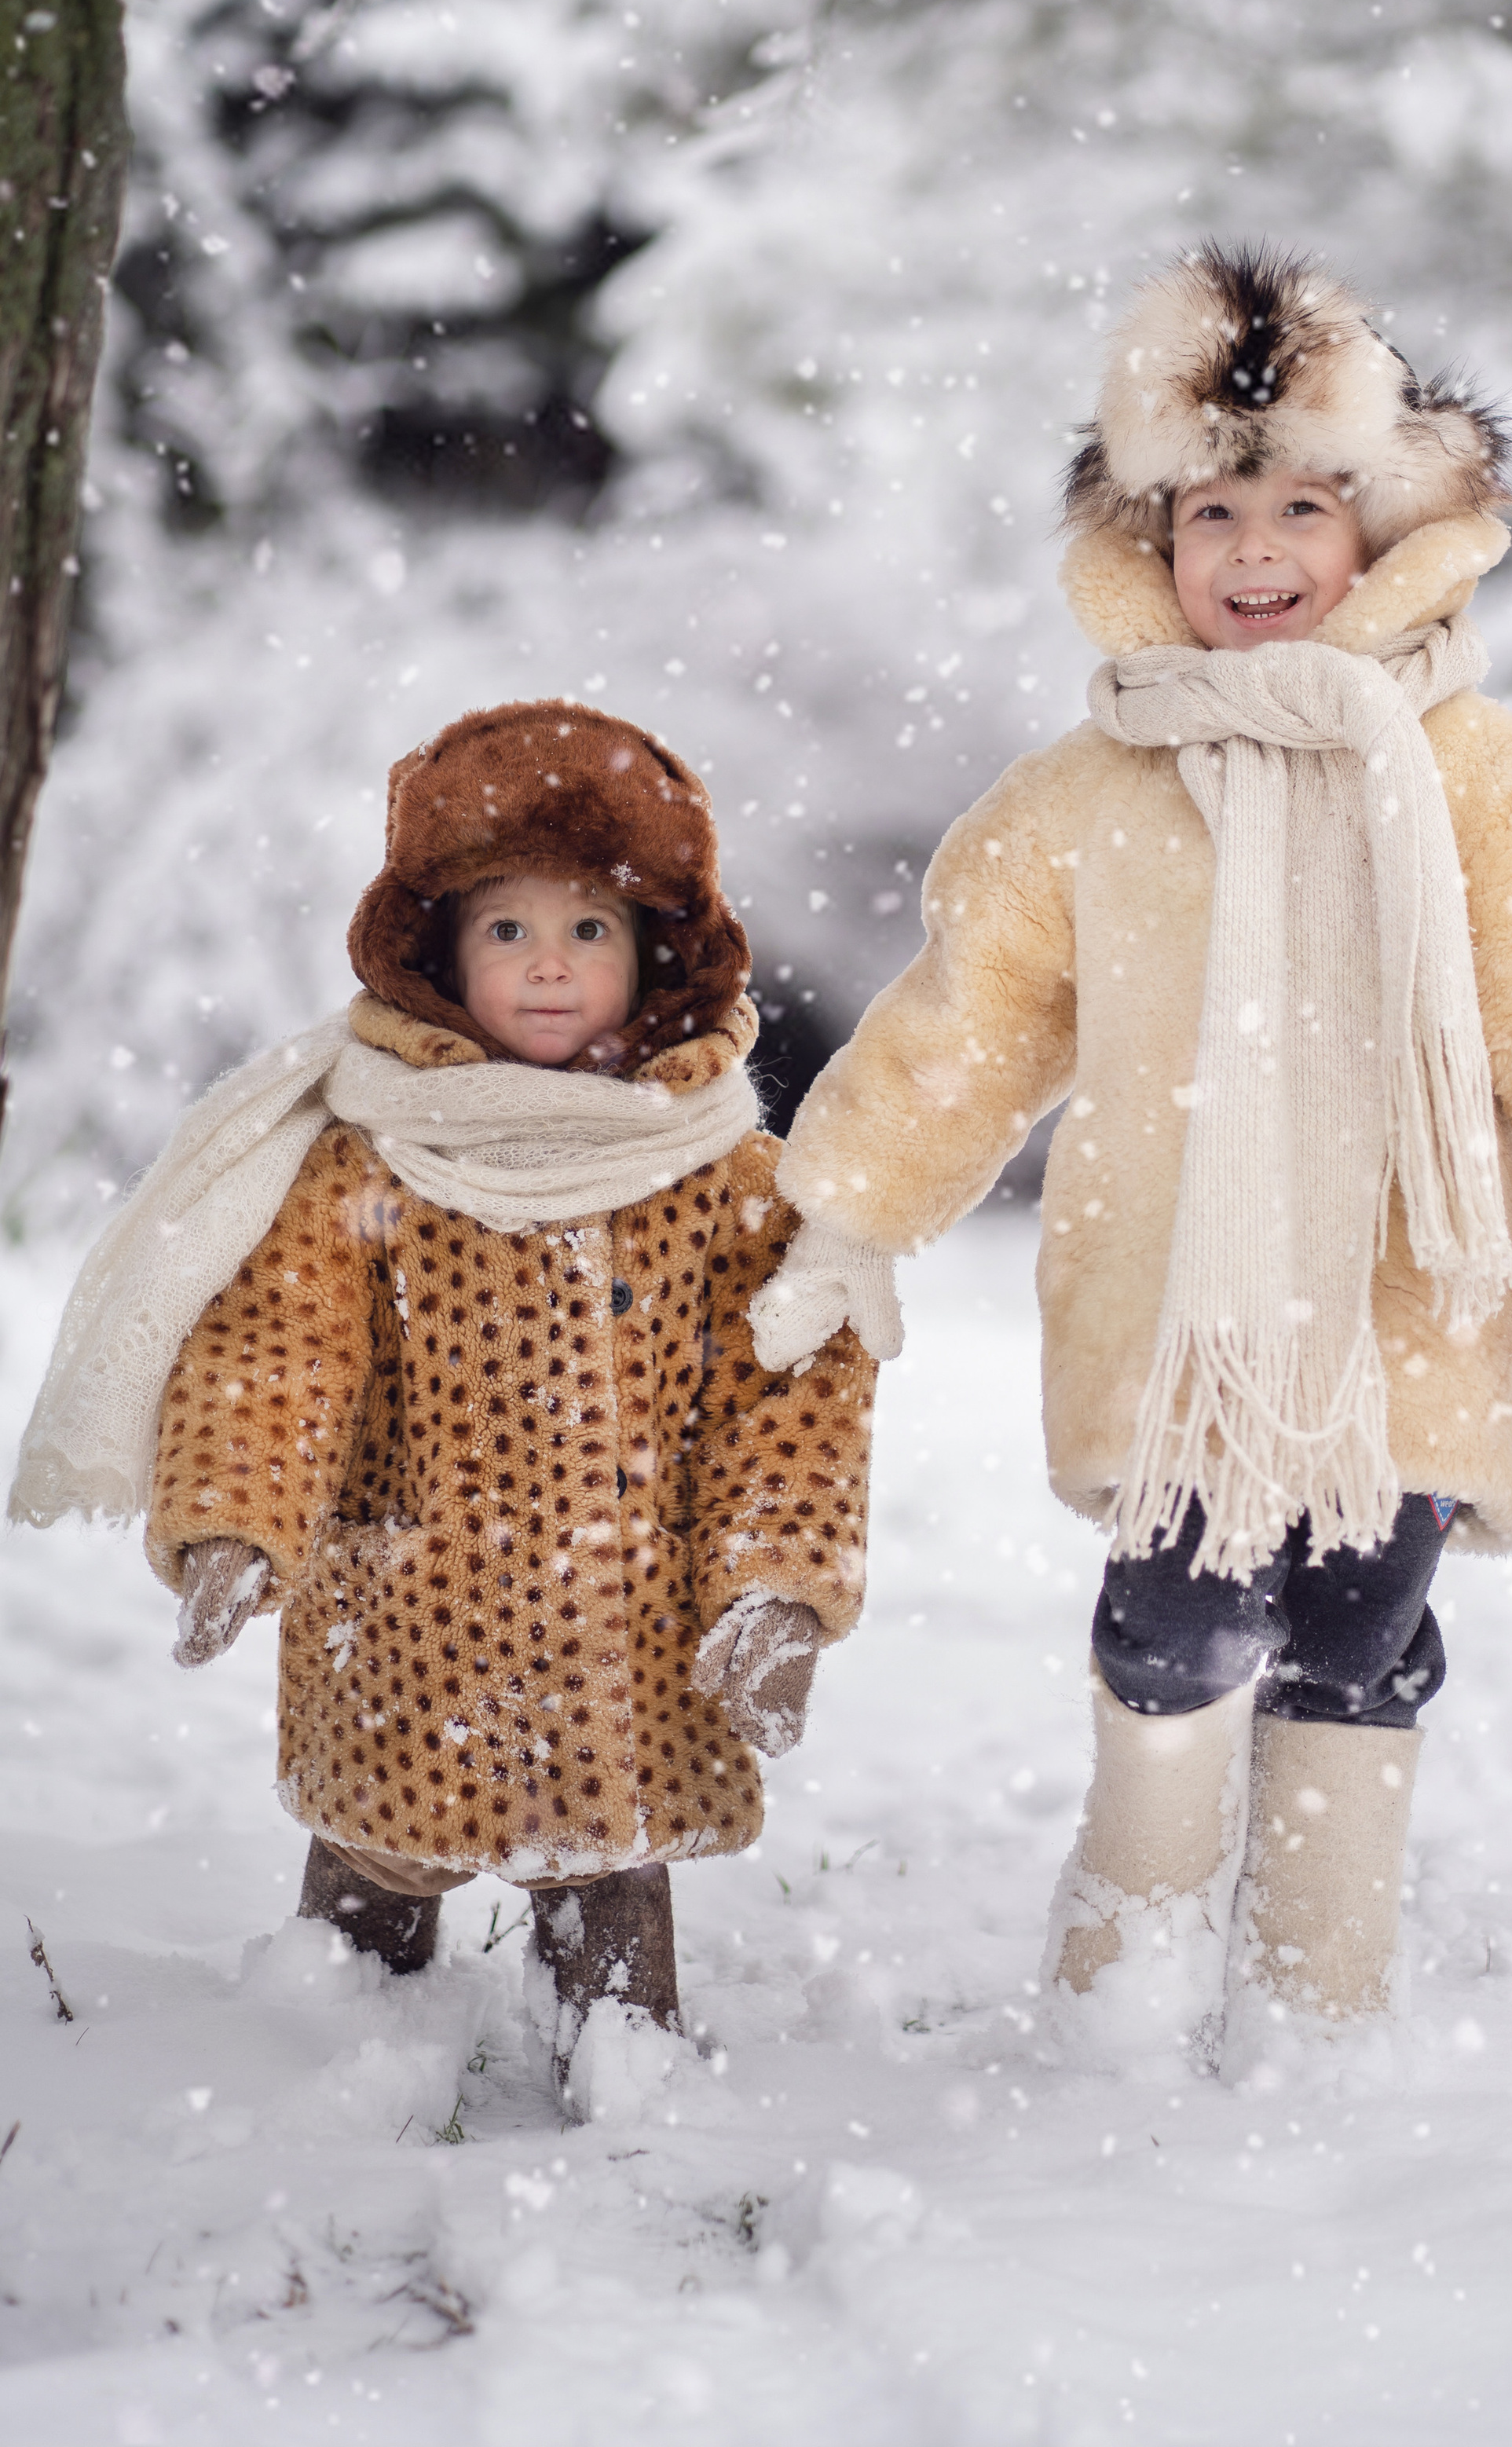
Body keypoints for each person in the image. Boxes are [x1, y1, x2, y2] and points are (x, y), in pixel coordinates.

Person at [751, 245, 1512, 2057]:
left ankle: (1312, 2003)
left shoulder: (1496, 780)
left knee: (1356, 1643)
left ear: (1383, 533)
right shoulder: (1087, 793)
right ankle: (1115, 1994)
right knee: (1174, 1632)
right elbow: (967, 1024)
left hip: (1416, 1320)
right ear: (1151, 539)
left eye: (1301, 506)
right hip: (1180, 1320)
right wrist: (851, 1215)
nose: (1256, 549)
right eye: (1213, 511)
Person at [12, 700, 876, 2097]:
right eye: (507, 931)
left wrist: (776, 1587)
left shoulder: (727, 1183)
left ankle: (624, 2059)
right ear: (439, 957)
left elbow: (786, 1396)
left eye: (589, 930)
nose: (549, 966)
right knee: (374, 1853)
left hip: (625, 1625)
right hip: (409, 1609)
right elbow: (276, 1347)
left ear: (656, 952)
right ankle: (340, 2029)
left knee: (608, 1861)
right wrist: (238, 1520)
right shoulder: (368, 1162)